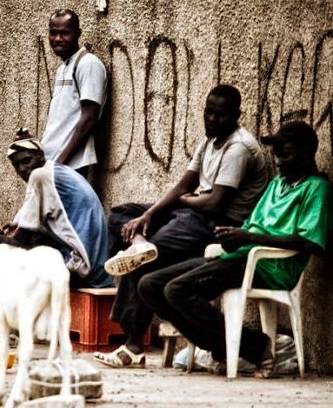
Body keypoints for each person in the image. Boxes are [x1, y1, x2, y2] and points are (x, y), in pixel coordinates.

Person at [138, 121, 332, 377]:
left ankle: (254, 346)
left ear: (307, 152)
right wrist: (233, 237)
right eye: (277, 155)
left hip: (271, 266)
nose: (280, 161)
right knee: (150, 285)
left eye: (286, 154)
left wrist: (248, 237)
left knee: (177, 289)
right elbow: (253, 225)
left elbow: (310, 243)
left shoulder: (316, 188)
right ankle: (223, 347)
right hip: (241, 258)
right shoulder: (278, 184)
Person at [94, 85, 268, 368]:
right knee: (123, 214)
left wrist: (186, 201)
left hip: (216, 224)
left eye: (220, 115)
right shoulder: (210, 140)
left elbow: (213, 204)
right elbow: (184, 185)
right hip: (192, 212)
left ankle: (133, 346)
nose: (212, 119)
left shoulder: (238, 148)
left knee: (143, 263)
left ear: (237, 115)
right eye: (208, 113)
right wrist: (147, 215)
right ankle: (139, 243)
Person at [0, 128, 113, 288]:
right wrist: (18, 225)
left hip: (82, 267)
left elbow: (23, 236)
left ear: (40, 156)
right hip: (97, 267)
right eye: (16, 165)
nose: (22, 169)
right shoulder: (58, 171)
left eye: (26, 161)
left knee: (0, 247)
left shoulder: (40, 175)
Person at [41, 9, 107, 176]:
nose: (57, 39)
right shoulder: (63, 68)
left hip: (70, 165)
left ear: (78, 34)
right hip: (52, 162)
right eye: (53, 33)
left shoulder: (88, 64)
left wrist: (60, 163)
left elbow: (89, 118)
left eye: (64, 33)